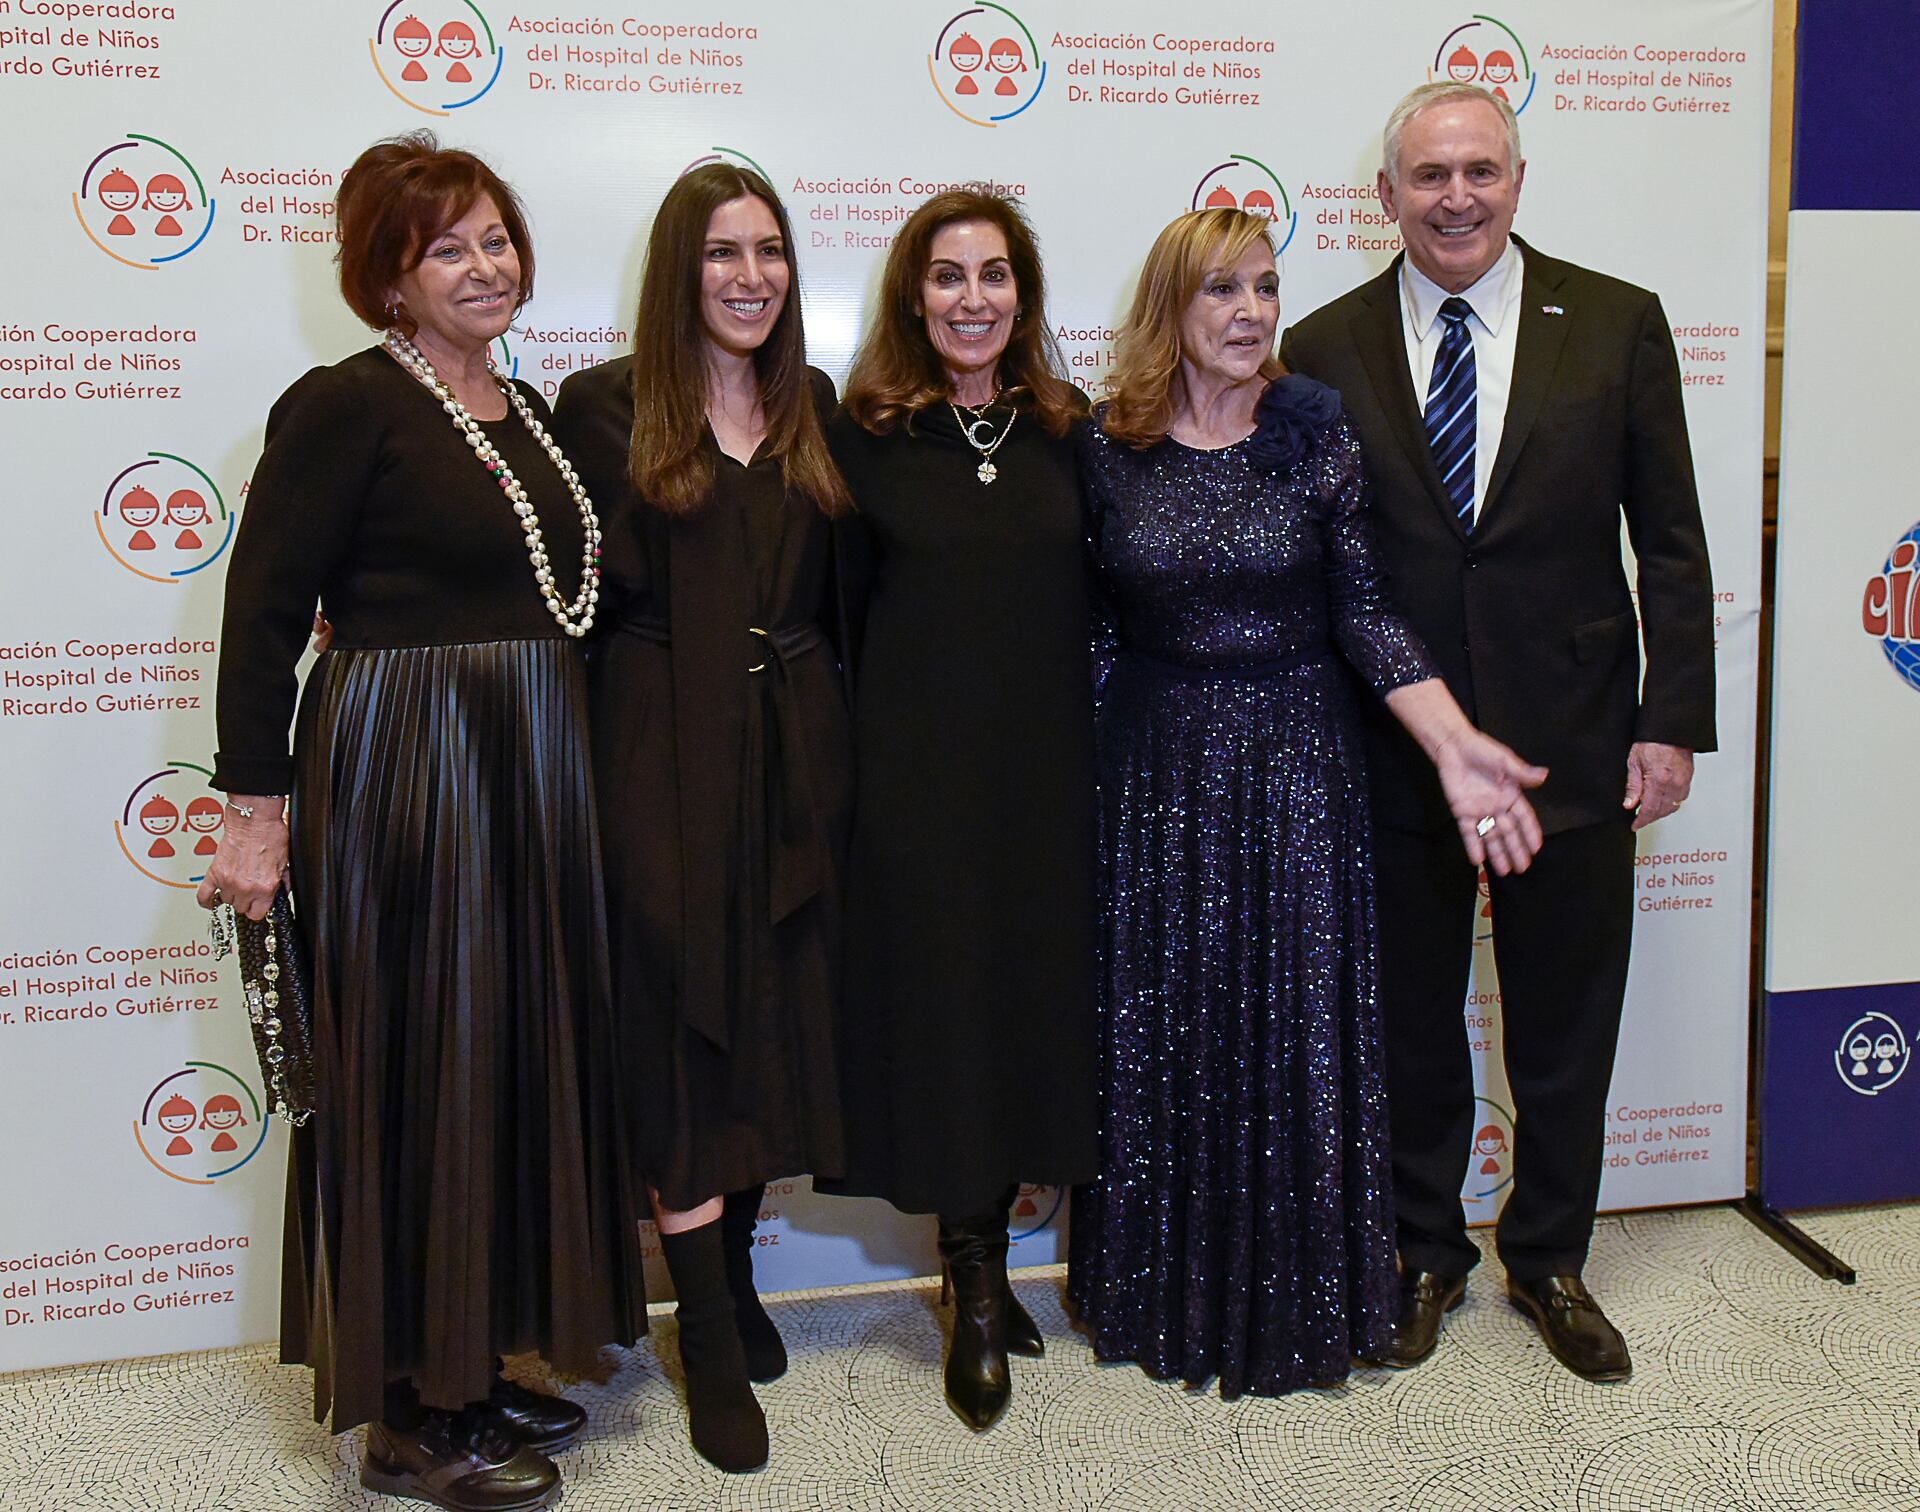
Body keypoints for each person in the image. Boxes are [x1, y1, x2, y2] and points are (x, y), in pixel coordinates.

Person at [199, 132, 644, 1512]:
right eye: (445, 247)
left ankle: (474, 1357)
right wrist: (256, 820)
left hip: (531, 775)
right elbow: (263, 617)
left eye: (495, 237)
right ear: (387, 279)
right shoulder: (345, 407)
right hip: (410, 773)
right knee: (421, 1065)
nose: (484, 264)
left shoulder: (533, 414)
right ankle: (406, 1415)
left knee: (506, 1062)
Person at [1068, 205, 1546, 1399]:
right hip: (1156, 781)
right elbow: (1084, 634)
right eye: (1222, 291)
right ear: (1171, 308)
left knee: (1292, 1034)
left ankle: (1299, 1290)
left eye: (1267, 288)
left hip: (1296, 774)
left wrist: (1451, 741)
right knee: (1163, 1028)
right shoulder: (1106, 444)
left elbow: (1367, 610)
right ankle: (1159, 1286)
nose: (1251, 315)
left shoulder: (1315, 434)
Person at [1279, 82, 1716, 1381]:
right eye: (1429, 176)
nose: (1455, 196)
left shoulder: (1618, 323)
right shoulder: (1322, 344)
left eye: (1479, 171)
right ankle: (1425, 1255)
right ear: (1388, 196)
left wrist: (1672, 721)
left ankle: (1553, 1261)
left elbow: (1676, 543)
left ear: (1518, 179)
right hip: (1396, 752)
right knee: (1411, 1021)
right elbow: (1317, 566)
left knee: (1565, 1021)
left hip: (1575, 743)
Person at [549, 164, 852, 1474]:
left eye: (769, 251)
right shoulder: (603, 408)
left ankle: (733, 1280)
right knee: (680, 1026)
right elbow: (558, 595)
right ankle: (709, 1336)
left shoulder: (813, 405)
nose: (749, 276)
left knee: (774, 1019)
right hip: (654, 751)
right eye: (722, 253)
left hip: (793, 755)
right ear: (681, 270)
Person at [824, 190, 1097, 1432]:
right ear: (911, 295)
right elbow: (833, 621)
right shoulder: (864, 435)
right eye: (948, 277)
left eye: (995, 276)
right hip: (916, 786)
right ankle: (974, 1285)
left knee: (1028, 1014)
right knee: (943, 1022)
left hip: (1045, 784)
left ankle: (1003, 1255)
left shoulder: (1070, 431)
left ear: (1025, 297)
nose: (972, 299)